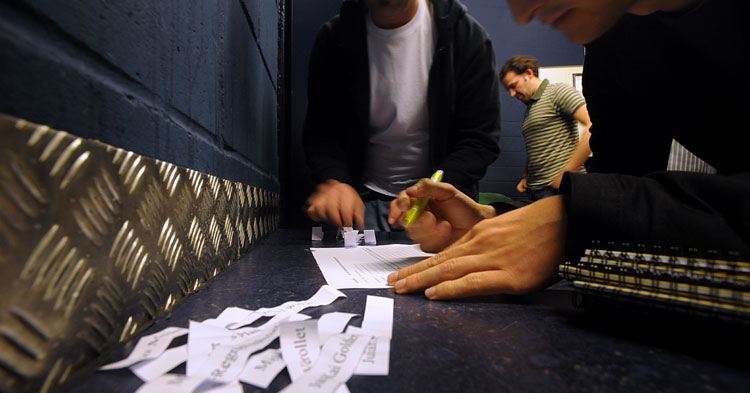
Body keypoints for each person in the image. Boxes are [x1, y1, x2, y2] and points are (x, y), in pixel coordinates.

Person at [386, 0, 750, 299]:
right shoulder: (613, 35)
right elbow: (622, 182)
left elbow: (613, 200)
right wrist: (496, 225)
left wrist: (576, 218)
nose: (522, 14)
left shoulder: (563, 86)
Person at [303, 0, 501, 231]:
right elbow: (321, 133)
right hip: (362, 204)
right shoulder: (334, 37)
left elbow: (479, 139)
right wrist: (335, 180)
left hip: (438, 206)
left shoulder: (467, 36)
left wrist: (438, 188)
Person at [499, 56, 591, 201]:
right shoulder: (531, 108)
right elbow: (537, 146)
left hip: (559, 188)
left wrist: (567, 172)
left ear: (529, 73)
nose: (512, 94)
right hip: (536, 190)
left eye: (514, 85)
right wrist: (526, 176)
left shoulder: (558, 92)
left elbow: (592, 126)